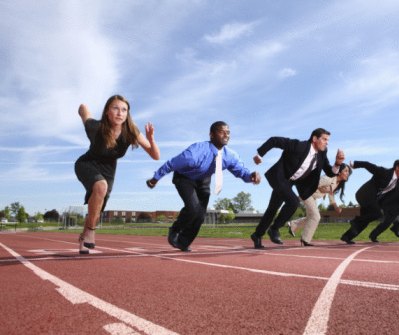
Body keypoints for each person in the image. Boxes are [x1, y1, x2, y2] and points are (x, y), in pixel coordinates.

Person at [146, 121, 261, 252]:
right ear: (211, 135)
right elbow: (171, 164)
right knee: (193, 209)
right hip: (185, 177)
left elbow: (241, 171)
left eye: (228, 132)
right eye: (221, 132)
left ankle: (183, 242)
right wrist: (155, 179)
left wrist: (251, 175)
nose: (226, 135)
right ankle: (175, 230)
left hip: (203, 179)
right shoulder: (195, 153)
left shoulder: (230, 156)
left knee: (200, 215)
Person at [75, 95, 160, 254]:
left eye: (124, 110)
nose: (120, 113)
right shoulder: (96, 127)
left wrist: (151, 140)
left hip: (108, 170)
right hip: (87, 164)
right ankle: (92, 231)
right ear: (107, 111)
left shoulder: (131, 131)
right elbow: (84, 110)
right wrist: (83, 106)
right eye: (115, 108)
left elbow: (155, 155)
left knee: (97, 210)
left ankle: (83, 237)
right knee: (101, 187)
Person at [251, 128, 345, 249]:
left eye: (328, 140)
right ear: (315, 138)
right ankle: (274, 229)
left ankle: (257, 235)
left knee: (272, 209)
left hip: (291, 182)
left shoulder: (322, 152)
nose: (327, 143)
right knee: (293, 202)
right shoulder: (298, 146)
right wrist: (260, 154)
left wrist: (337, 163)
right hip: (279, 177)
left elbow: (329, 171)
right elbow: (274, 141)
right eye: (324, 139)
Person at [340, 159, 399, 244]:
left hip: (374, 199)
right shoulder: (384, 172)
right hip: (364, 195)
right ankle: (355, 221)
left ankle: (347, 236)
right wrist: (355, 165)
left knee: (366, 218)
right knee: (377, 213)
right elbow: (368, 165)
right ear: (397, 168)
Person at [287, 163, 352, 246]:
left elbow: (331, 195)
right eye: (346, 171)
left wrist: (336, 207)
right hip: (308, 194)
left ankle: (292, 226)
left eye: (348, 171)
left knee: (310, 218)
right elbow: (313, 184)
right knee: (316, 217)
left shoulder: (337, 183)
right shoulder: (328, 179)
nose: (348, 173)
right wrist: (299, 197)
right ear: (339, 172)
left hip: (314, 197)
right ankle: (305, 239)